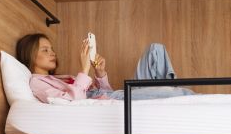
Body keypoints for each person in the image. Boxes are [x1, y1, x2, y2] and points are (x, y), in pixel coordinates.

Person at [15, 33, 194, 104]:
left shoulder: (61, 77)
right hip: (115, 99)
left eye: (52, 49)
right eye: (45, 50)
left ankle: (167, 94)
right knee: (181, 93)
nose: (53, 53)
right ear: (30, 54)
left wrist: (100, 74)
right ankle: (175, 96)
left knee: (155, 50)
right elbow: (73, 102)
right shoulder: (36, 83)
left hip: (114, 95)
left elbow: (106, 92)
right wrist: (84, 69)